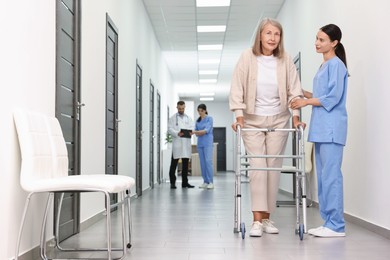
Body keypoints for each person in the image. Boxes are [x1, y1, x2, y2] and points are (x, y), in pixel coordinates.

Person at [229, 18, 304, 237]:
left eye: (277, 34)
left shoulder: (286, 59)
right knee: (258, 167)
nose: (272, 38)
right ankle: (256, 220)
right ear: (260, 36)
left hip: (279, 119)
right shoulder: (247, 57)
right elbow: (237, 87)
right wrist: (239, 116)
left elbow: (295, 89)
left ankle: (268, 217)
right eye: (268, 33)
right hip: (252, 120)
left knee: (273, 168)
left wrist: (296, 117)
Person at [291, 24, 348, 237]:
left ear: (334, 43)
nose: (317, 43)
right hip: (321, 128)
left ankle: (337, 225)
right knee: (324, 177)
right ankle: (328, 222)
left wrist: (306, 103)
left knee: (331, 176)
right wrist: (303, 94)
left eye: (322, 40)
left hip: (332, 128)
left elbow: (332, 98)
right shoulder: (323, 66)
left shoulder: (337, 65)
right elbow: (321, 94)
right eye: (316, 38)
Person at [168, 101, 195, 189]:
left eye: (182, 108)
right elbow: (169, 129)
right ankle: (172, 183)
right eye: (179, 108)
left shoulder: (189, 118)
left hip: (186, 143)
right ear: (177, 107)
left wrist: (191, 132)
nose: (181, 110)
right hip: (177, 143)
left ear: (184, 107)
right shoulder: (172, 118)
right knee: (174, 165)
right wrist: (177, 133)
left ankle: (185, 183)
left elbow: (192, 127)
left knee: (185, 165)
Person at [193, 104, 214, 189]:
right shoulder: (197, 121)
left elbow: (206, 131)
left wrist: (197, 132)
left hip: (208, 143)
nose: (200, 112)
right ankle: (205, 181)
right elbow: (196, 132)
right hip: (200, 144)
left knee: (208, 162)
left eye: (201, 110)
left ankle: (211, 182)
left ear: (205, 110)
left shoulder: (209, 119)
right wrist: (197, 132)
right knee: (202, 163)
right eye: (199, 111)